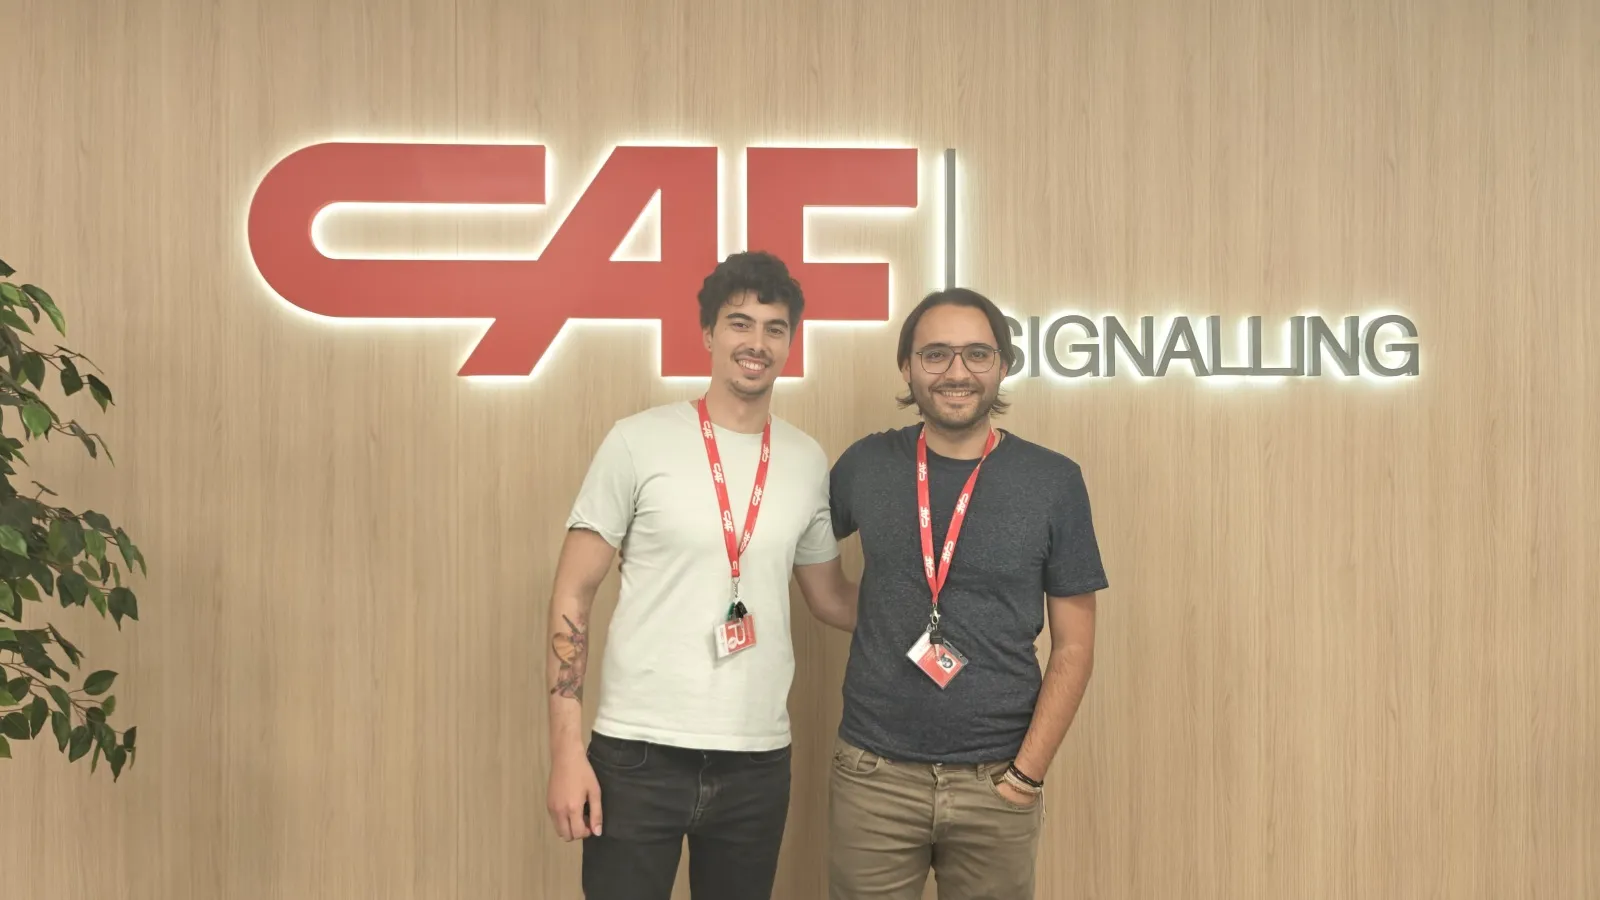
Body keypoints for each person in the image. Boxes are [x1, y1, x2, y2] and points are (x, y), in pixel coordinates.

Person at [542, 250, 860, 900]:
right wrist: (566, 752)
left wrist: (943, 606)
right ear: (709, 333)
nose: (757, 342)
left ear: (790, 343)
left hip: (757, 758)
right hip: (636, 753)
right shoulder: (638, 441)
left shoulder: (804, 460)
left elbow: (830, 598)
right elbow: (574, 592)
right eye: (740, 323)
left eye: (775, 328)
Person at [825, 287, 1109, 899]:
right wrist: (880, 617)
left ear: (1003, 365)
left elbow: (1075, 647)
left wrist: (1026, 776)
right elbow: (799, 555)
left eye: (977, 354)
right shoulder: (865, 466)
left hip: (998, 779)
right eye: (936, 355)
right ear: (907, 367)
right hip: (873, 776)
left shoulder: (1053, 481)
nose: (957, 372)